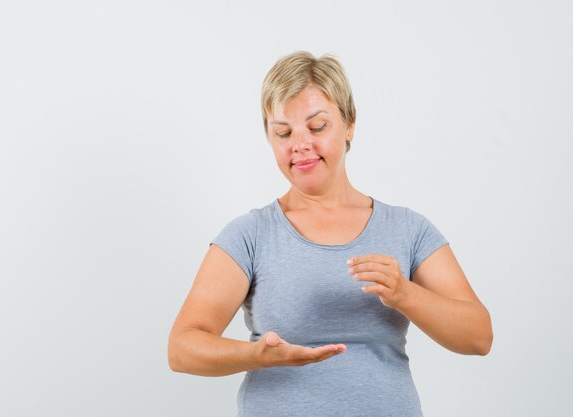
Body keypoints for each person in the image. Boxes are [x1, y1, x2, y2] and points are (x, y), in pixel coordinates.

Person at [168, 51, 493, 417]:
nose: (300, 144)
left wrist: (406, 294)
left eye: (317, 126)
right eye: (283, 132)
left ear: (349, 124)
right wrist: (258, 356)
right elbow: (182, 349)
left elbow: (478, 336)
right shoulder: (250, 234)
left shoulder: (408, 228)